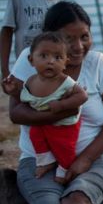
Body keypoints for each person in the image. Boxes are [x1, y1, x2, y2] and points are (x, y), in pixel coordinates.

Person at [2, 1, 103, 204]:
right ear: (50, 37)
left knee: (78, 198)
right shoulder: (30, 59)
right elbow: (16, 113)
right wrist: (58, 112)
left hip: (96, 156)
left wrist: (86, 160)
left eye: (85, 36)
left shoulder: (99, 64)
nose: (79, 47)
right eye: (69, 39)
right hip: (39, 160)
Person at [4, 32, 88, 184]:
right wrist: (13, 92)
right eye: (43, 56)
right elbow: (24, 98)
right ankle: (46, 160)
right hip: (42, 124)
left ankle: (64, 167)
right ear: (31, 60)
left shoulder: (65, 81)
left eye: (57, 57)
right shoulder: (30, 81)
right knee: (35, 135)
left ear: (65, 62)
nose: (50, 62)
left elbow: (82, 96)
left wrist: (62, 105)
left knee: (64, 147)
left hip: (65, 125)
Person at [1, 0, 67, 81]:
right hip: (25, 71)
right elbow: (6, 33)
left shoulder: (63, 6)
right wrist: (5, 69)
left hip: (54, 73)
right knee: (20, 101)